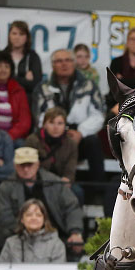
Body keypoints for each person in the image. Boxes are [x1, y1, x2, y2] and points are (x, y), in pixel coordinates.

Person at [30, 49, 106, 192]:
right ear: (52, 65)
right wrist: (60, 132)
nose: (64, 64)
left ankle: (98, 191)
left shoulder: (88, 86)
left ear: (74, 63)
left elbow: (99, 115)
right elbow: (39, 118)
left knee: (94, 142)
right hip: (52, 139)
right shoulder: (42, 88)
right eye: (59, 61)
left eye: (68, 60)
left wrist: (80, 132)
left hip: (80, 138)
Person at [0, 146, 82, 253]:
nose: (26, 169)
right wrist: (27, 230)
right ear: (15, 166)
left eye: (29, 165)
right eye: (22, 165)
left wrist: (75, 232)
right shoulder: (5, 187)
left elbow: (72, 207)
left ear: (37, 165)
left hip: (56, 236)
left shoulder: (54, 182)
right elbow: (4, 217)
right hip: (19, 236)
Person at [0, 198, 66, 263]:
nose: (34, 218)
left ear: (44, 220)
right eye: (29, 215)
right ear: (22, 220)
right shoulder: (11, 243)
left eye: (38, 215)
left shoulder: (56, 244)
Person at [24, 107, 79, 183]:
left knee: (78, 192)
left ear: (65, 126)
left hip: (60, 182)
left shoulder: (71, 144)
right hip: (38, 181)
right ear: (44, 125)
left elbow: (70, 169)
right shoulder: (32, 140)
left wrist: (67, 179)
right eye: (51, 122)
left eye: (60, 123)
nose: (56, 127)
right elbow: (27, 166)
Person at [3, 21, 42, 103]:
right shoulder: (1, 55)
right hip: (4, 99)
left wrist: (10, 78)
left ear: (27, 37)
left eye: (21, 34)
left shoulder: (33, 57)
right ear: (9, 36)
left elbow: (36, 85)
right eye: (14, 33)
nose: (17, 37)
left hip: (27, 101)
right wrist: (25, 80)